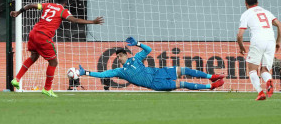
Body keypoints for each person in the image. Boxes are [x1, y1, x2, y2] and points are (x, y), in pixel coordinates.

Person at [10, 0, 104, 97]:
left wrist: (18, 12)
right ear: (66, 2)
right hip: (43, 36)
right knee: (53, 62)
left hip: (33, 33)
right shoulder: (63, 11)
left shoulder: (47, 5)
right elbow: (75, 20)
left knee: (34, 56)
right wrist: (93, 22)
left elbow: (31, 5)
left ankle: (17, 79)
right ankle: (47, 88)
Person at [79, 37, 225, 91]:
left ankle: (211, 76)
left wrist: (137, 43)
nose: (118, 58)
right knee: (182, 84)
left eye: (119, 56)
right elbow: (103, 74)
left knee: (184, 69)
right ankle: (210, 86)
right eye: (117, 57)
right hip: (155, 84)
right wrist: (85, 72)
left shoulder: (136, 58)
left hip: (158, 72)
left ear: (124, 54)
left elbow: (148, 49)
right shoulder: (120, 71)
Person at [237, 0, 281, 101]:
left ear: (246, 3)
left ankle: (260, 92)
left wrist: (241, 47)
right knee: (265, 70)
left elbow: (239, 35)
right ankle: (268, 81)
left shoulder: (246, 13)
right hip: (270, 41)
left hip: (258, 41)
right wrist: (278, 42)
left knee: (252, 70)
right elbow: (280, 26)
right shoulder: (266, 12)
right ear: (257, 3)